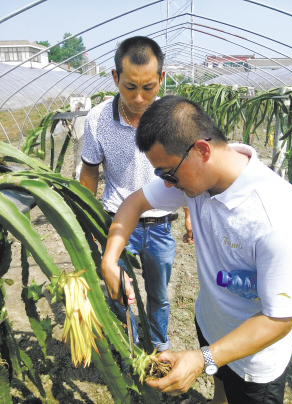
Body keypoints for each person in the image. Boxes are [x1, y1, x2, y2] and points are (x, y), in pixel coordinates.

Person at [101, 95, 292, 404]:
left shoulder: (277, 217)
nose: (166, 185)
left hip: (254, 359)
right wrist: (110, 259)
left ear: (202, 150)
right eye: (159, 175)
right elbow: (134, 202)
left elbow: (280, 319)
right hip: (210, 323)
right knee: (219, 390)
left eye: (168, 173)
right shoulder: (200, 179)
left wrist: (203, 358)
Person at [80, 36, 182, 352]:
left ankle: (159, 348)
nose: (139, 98)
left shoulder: (173, 118)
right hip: (116, 222)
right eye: (129, 87)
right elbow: (90, 171)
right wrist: (87, 222)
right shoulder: (98, 119)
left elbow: (187, 171)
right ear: (115, 78)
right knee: (117, 291)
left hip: (159, 223)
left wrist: (190, 214)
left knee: (159, 295)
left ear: (161, 78)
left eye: (148, 88)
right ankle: (128, 347)